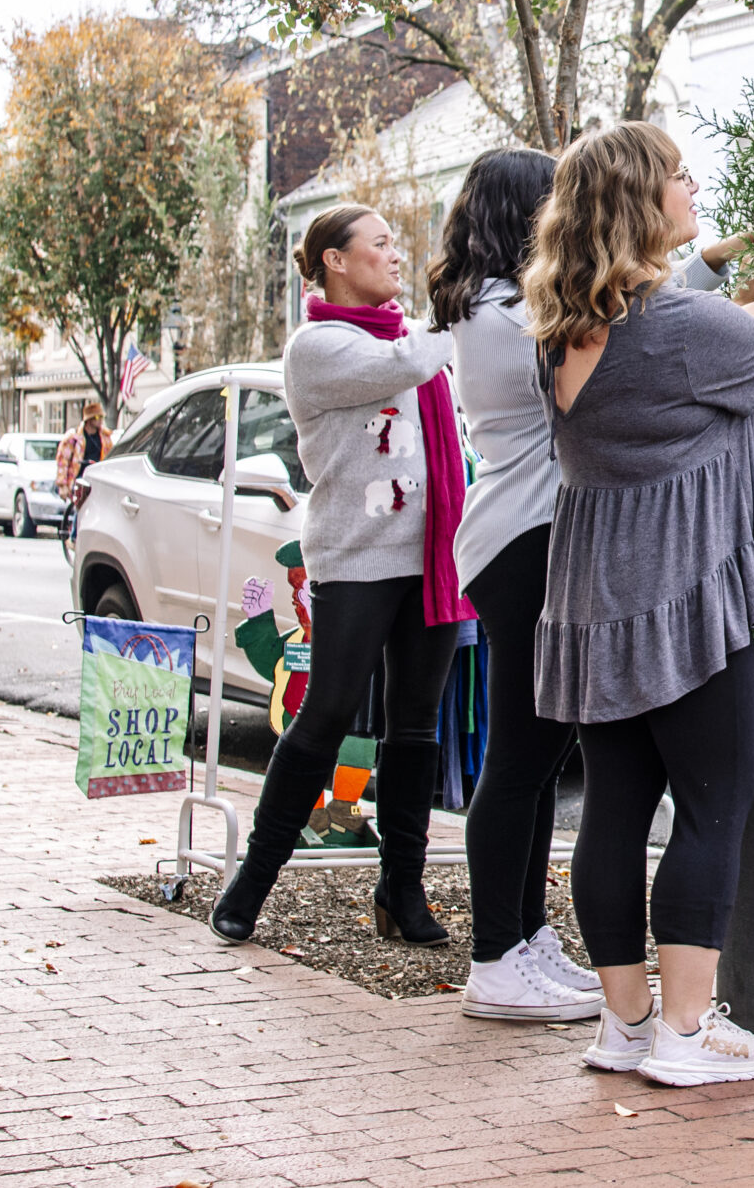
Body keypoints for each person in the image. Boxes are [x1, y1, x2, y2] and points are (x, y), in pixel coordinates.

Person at [525, 122, 754, 1086]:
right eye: (678, 174)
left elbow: (744, 329)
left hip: (596, 602)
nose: (693, 185)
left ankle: (627, 1024)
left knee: (614, 809)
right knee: (714, 809)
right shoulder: (676, 330)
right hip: (681, 599)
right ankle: (688, 1031)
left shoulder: (564, 328)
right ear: (643, 200)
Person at [431, 148, 754, 1024]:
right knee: (523, 760)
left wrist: (718, 257)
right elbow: (648, 336)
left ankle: (529, 936)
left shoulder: (518, 307)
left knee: (557, 769)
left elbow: (652, 317)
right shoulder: (517, 316)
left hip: (534, 533)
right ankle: (497, 952)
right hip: (531, 537)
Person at [210, 205, 468, 949]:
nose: (394, 255)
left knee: (415, 726)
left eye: (394, 243)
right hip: (357, 559)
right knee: (325, 716)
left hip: (431, 557)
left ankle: (402, 887)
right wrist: (463, 306)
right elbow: (408, 366)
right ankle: (253, 879)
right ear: (334, 260)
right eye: (379, 244)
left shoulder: (407, 333)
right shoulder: (318, 346)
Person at [55, 401, 109, 539]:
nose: (100, 421)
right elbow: (63, 460)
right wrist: (63, 485)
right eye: (97, 418)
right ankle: (74, 536)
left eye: (101, 418)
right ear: (89, 420)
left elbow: (110, 456)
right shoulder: (74, 438)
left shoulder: (105, 437)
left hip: (97, 477)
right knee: (81, 505)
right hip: (79, 477)